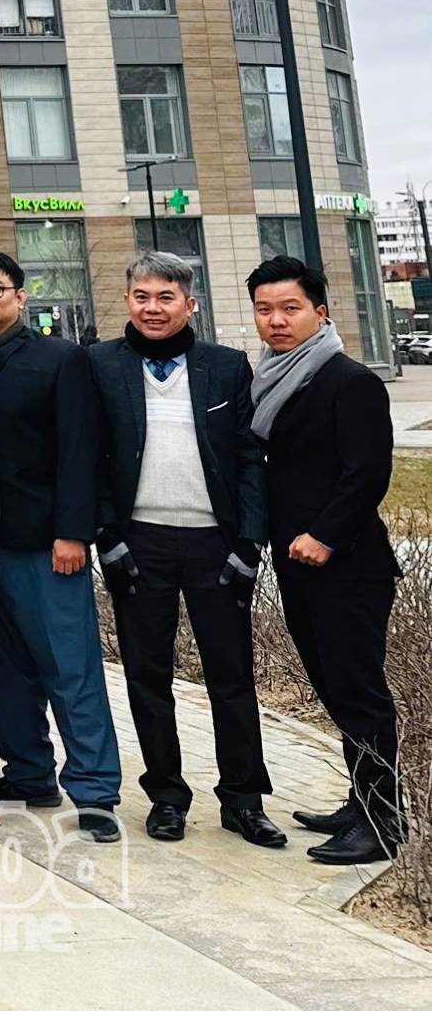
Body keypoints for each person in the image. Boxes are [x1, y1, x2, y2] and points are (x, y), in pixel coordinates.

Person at [89, 252, 282, 849]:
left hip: (214, 544)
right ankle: (167, 796)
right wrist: (108, 540)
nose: (153, 307)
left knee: (231, 675)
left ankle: (244, 800)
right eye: (142, 296)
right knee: (147, 675)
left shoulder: (226, 367)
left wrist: (249, 543)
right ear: (127, 301)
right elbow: (87, 457)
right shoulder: (98, 364)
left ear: (189, 303)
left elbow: (252, 459)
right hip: (138, 541)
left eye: (166, 296)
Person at [0, 250, 120, 842]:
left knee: (70, 665)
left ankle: (94, 789)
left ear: (19, 295)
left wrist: (73, 532)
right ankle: (30, 773)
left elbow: (80, 450)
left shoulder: (61, 360)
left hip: (44, 542)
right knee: (0, 668)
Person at [248, 255, 406, 864]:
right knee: (334, 689)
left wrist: (325, 534)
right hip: (298, 564)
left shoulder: (349, 380)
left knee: (357, 689)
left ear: (321, 311)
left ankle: (382, 822)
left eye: (290, 309)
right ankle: (360, 800)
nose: (277, 321)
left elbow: (367, 472)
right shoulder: (272, 377)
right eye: (265, 310)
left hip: (347, 565)